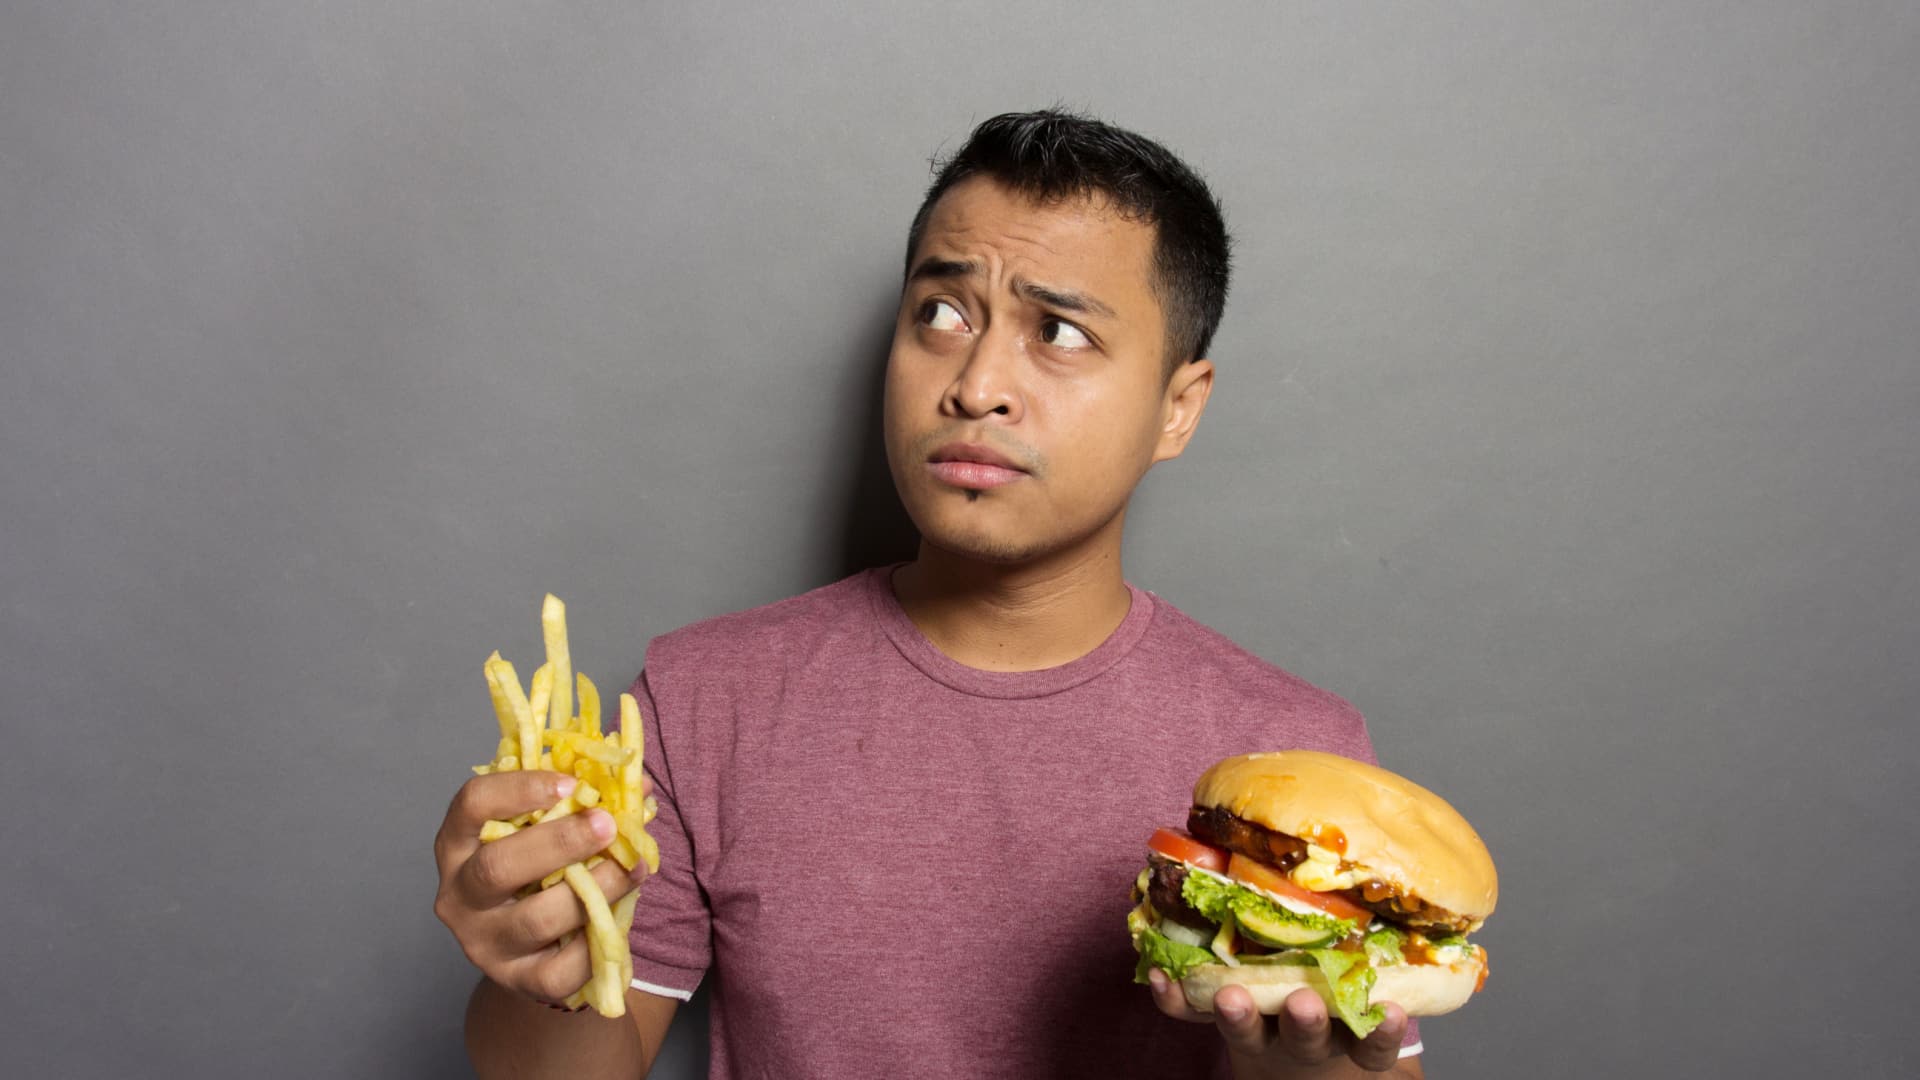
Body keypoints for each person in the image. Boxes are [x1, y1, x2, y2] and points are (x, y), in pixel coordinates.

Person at [434, 109, 1427, 1079]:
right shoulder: (702, 700)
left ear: (1178, 408)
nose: (978, 382)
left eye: (1061, 333)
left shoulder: (1300, 768)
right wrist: (536, 968)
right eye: (942, 316)